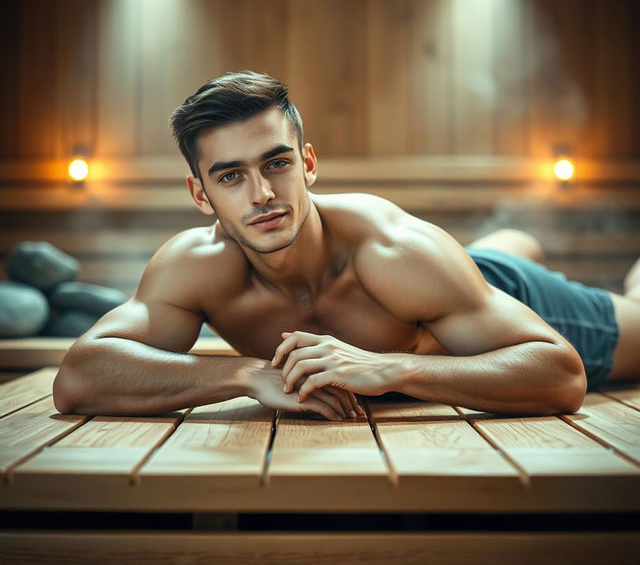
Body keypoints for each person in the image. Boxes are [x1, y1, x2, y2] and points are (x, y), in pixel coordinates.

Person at [52, 71, 640, 420]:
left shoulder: (394, 249)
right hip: (442, 295)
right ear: (200, 194)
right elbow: (78, 377)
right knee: (489, 256)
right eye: (230, 176)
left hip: (492, 297)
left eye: (276, 163)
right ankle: (513, 243)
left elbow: (562, 375)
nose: (261, 195)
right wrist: (243, 376)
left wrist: (385, 369)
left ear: (307, 164)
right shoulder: (195, 267)